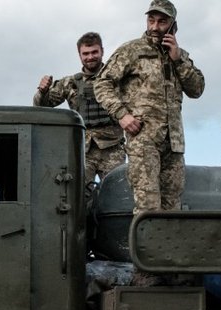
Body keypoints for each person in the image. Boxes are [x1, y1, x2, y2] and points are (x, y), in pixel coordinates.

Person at [93, 0, 205, 215]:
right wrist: (122, 115)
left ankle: (169, 250)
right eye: (151, 20)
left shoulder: (180, 56)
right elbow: (102, 82)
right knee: (148, 209)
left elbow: (197, 89)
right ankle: (145, 250)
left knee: (172, 208)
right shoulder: (132, 50)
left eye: (162, 22)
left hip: (174, 144)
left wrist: (178, 60)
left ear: (173, 26)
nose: (154, 27)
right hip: (144, 140)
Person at [34, 32, 125, 185]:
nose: (90, 57)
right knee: (78, 196)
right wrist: (42, 91)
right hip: (83, 150)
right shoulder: (70, 83)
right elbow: (41, 106)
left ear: (102, 51)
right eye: (86, 53)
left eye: (94, 52)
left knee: (116, 194)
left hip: (112, 148)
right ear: (79, 55)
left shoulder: (117, 80)